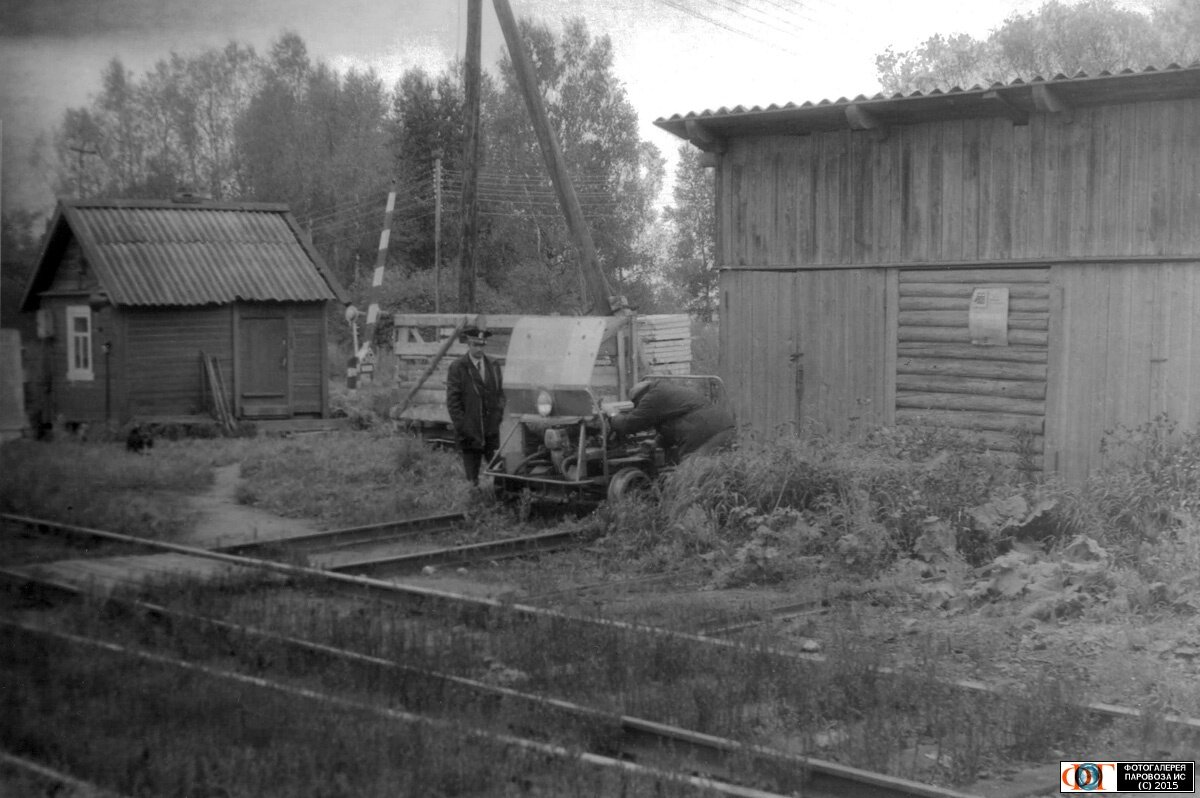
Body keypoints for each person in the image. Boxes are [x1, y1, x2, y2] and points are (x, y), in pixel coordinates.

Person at [608, 378, 736, 464]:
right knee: (718, 473)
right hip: (723, 428)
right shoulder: (665, 391)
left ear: (640, 397)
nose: (638, 407)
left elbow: (629, 424)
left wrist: (612, 417)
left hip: (707, 433)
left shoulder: (653, 397)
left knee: (690, 475)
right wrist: (657, 442)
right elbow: (672, 423)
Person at [446, 326, 506, 485]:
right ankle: (474, 503)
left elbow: (500, 394)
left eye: (482, 345)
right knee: (472, 478)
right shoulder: (458, 367)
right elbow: (453, 402)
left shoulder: (493, 365)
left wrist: (498, 416)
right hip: (469, 432)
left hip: (491, 431)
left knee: (501, 473)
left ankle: (500, 502)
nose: (479, 349)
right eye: (475, 345)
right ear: (468, 344)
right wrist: (463, 426)